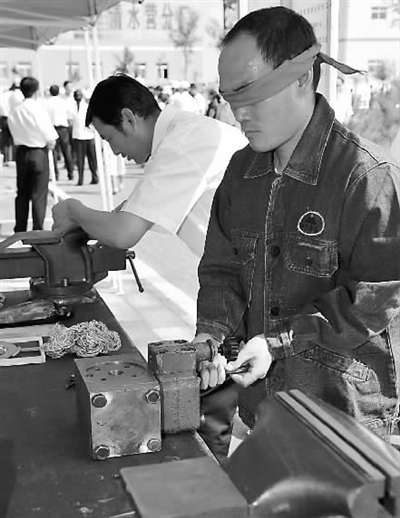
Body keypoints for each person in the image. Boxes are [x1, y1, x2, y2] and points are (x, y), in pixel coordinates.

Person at [194, 6, 400, 450]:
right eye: (230, 98)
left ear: (303, 78)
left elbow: (373, 299)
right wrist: (210, 337)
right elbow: (222, 271)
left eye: (251, 94)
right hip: (262, 409)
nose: (239, 113)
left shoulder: (365, 177)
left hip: (343, 419)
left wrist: (278, 343)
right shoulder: (240, 172)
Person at [51, 74, 247, 458]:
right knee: (215, 391)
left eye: (110, 139)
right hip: (234, 285)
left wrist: (74, 208)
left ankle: (210, 477)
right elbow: (127, 213)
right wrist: (85, 225)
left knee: (211, 396)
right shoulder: (176, 140)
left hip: (247, 289)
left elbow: (123, 232)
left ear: (129, 118)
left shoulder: (186, 142)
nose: (114, 151)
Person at [8, 76, 58, 233]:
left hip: (22, 153)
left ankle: (20, 228)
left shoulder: (15, 110)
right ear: (36, 91)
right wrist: (50, 143)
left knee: (22, 193)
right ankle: (37, 230)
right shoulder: (37, 109)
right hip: (38, 152)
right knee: (39, 194)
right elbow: (48, 134)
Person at [46, 84, 74, 181]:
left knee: (53, 152)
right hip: (63, 128)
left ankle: (55, 174)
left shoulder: (47, 103)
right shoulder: (63, 102)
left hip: (52, 128)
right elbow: (70, 115)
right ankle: (70, 173)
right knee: (66, 151)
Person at [71, 89, 98, 186]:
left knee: (92, 159)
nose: (77, 97)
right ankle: (80, 179)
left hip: (88, 135)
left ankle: (95, 177)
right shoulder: (72, 107)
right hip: (78, 136)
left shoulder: (87, 106)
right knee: (80, 159)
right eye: (76, 95)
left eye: (79, 95)